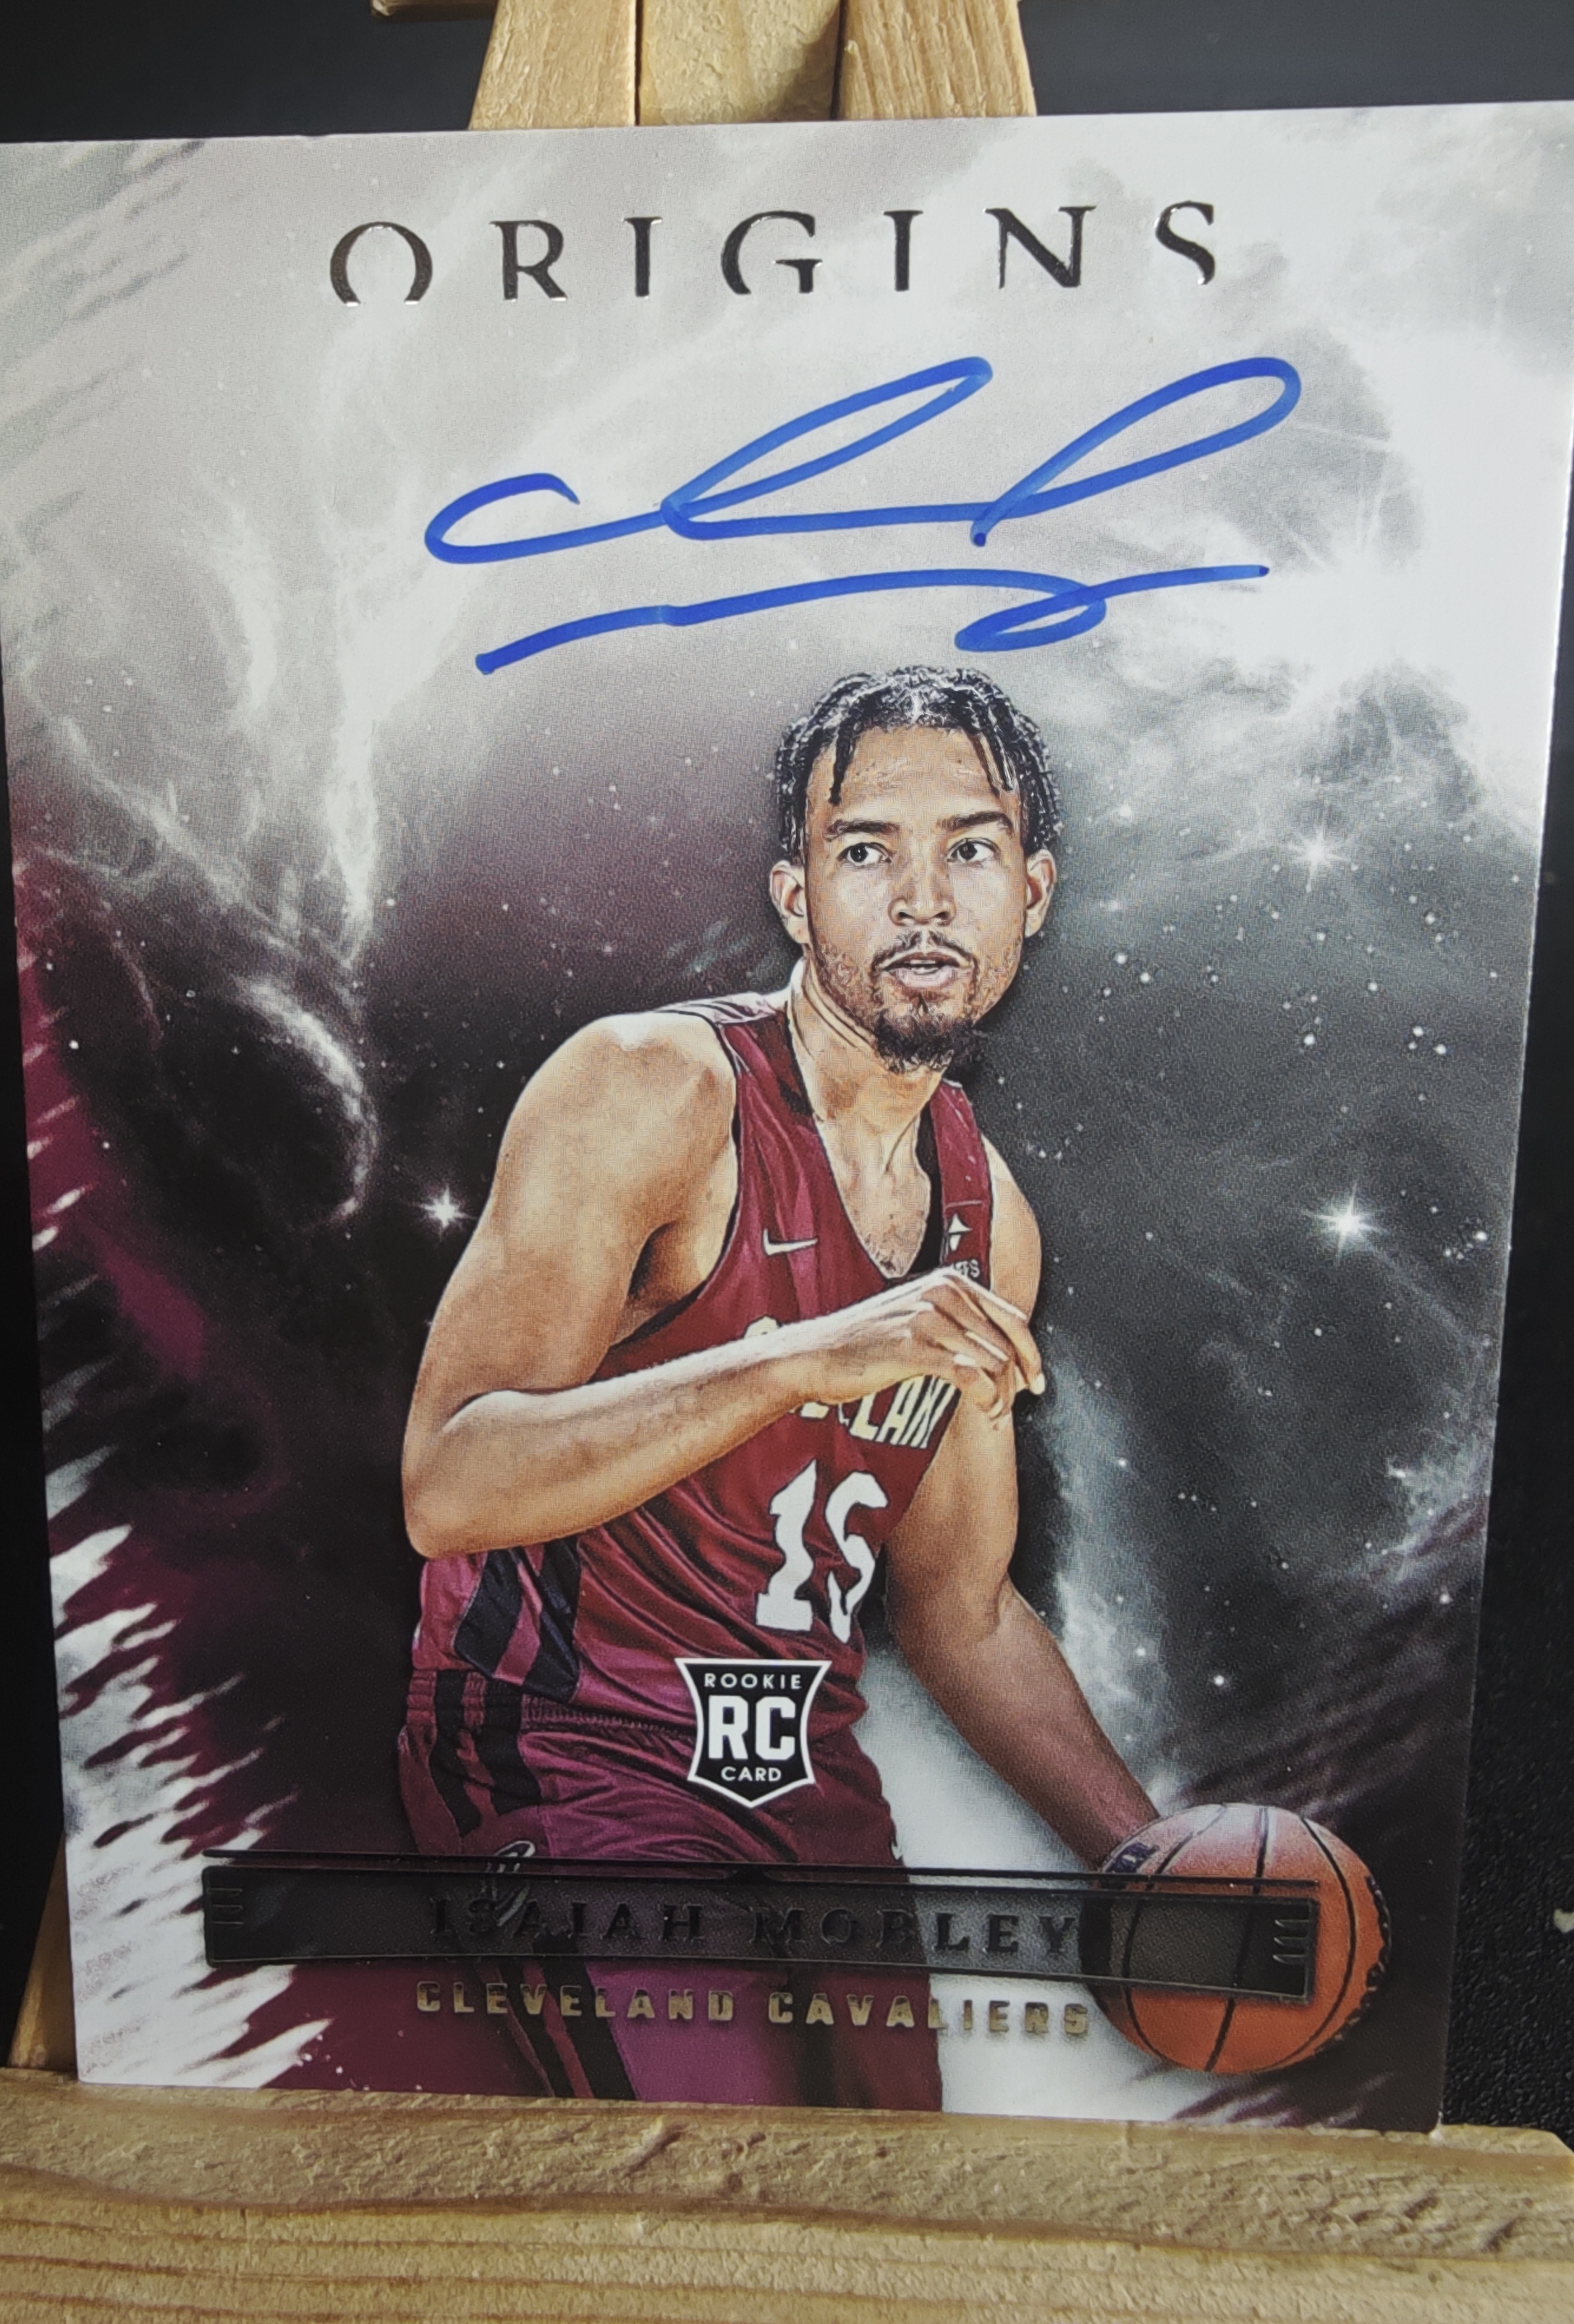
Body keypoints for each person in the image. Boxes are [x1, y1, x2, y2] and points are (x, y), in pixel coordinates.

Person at [399, 666, 1158, 2103]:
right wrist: (804, 1355)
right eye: (868, 851)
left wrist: (1146, 1858)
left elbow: (962, 1612)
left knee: (889, 2206)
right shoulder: (651, 1088)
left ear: (1033, 894)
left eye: (971, 850)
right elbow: (452, 1481)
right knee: (712, 2178)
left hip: (806, 1792)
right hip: (576, 1749)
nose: (922, 899)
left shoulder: (989, 1218)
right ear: (798, 898)